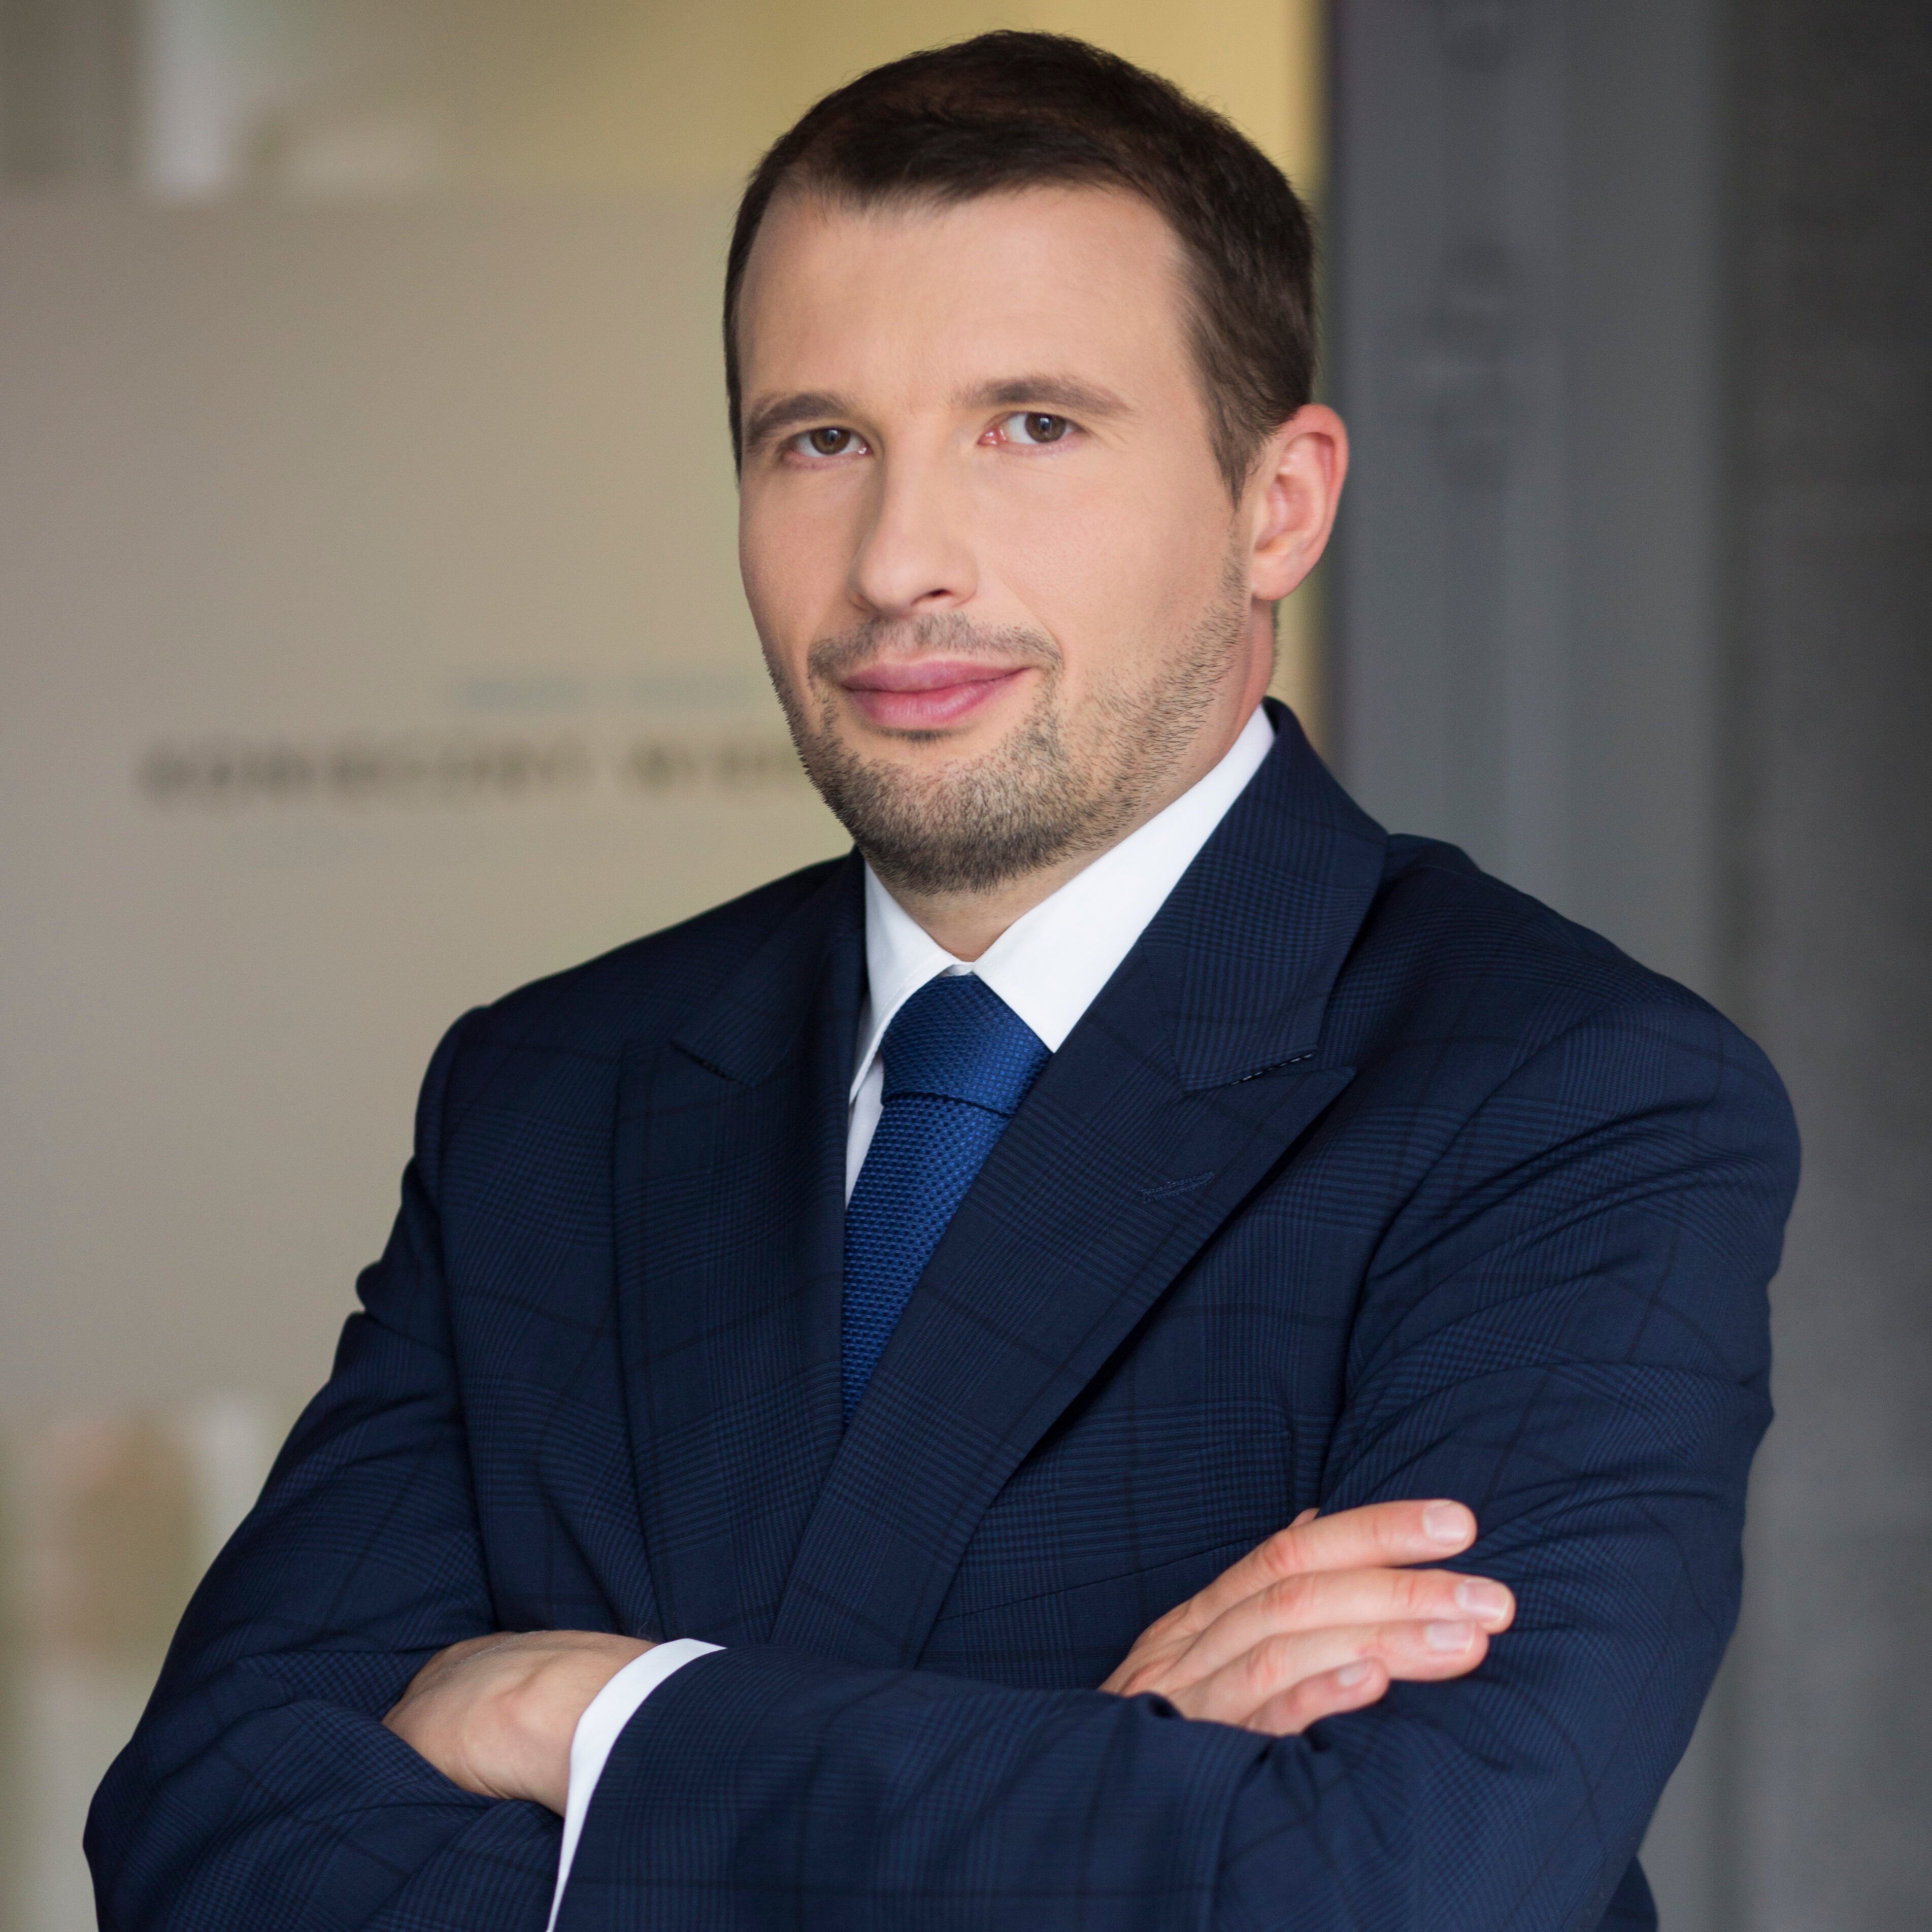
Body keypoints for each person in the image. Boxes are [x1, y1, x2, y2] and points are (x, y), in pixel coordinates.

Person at [87, 33, 1796, 1932]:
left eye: (1033, 426)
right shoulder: (552, 1095)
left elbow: (1381, 1885)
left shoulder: (1567, 1099)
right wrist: (1097, 1773)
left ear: (1280, 504)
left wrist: (594, 1718)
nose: (900, 559)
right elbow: (210, 1841)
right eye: (820, 440)